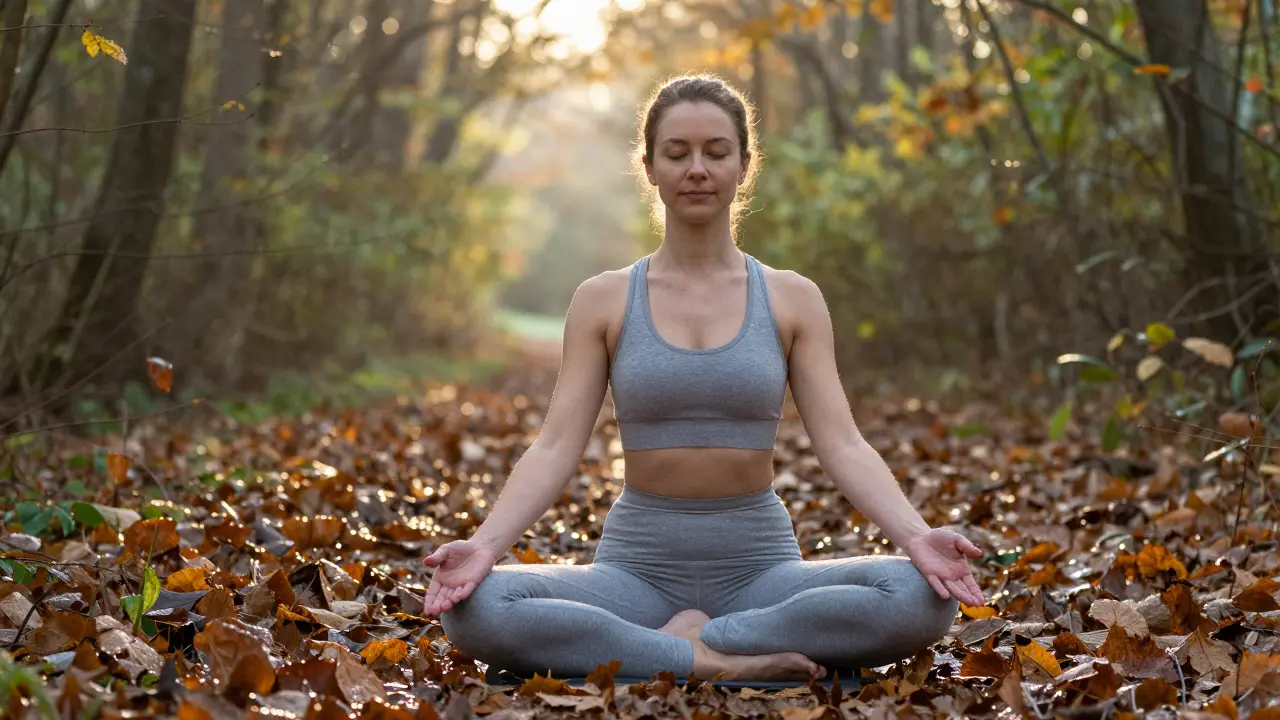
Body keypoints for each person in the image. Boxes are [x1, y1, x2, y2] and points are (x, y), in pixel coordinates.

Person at [422, 73, 984, 683]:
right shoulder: (604, 299)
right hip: (635, 569)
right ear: (651, 167)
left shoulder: (792, 299)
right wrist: (483, 547)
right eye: (677, 152)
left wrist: (917, 536)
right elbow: (557, 444)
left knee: (920, 595)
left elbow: (843, 443)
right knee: (477, 608)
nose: (697, 168)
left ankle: (684, 644)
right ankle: (708, 660)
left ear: (744, 165)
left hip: (761, 570)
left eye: (717, 152)